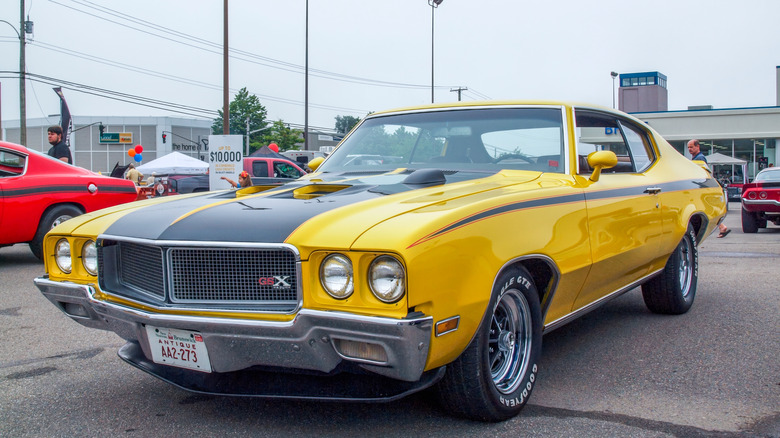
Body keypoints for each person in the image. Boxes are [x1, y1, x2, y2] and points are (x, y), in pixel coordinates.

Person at [687, 139, 731, 238]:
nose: (689, 149)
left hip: (700, 188)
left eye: (691, 147)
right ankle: (721, 226)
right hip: (701, 188)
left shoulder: (700, 159)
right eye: (688, 147)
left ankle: (721, 226)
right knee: (707, 209)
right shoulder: (697, 158)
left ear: (697, 147)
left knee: (706, 209)